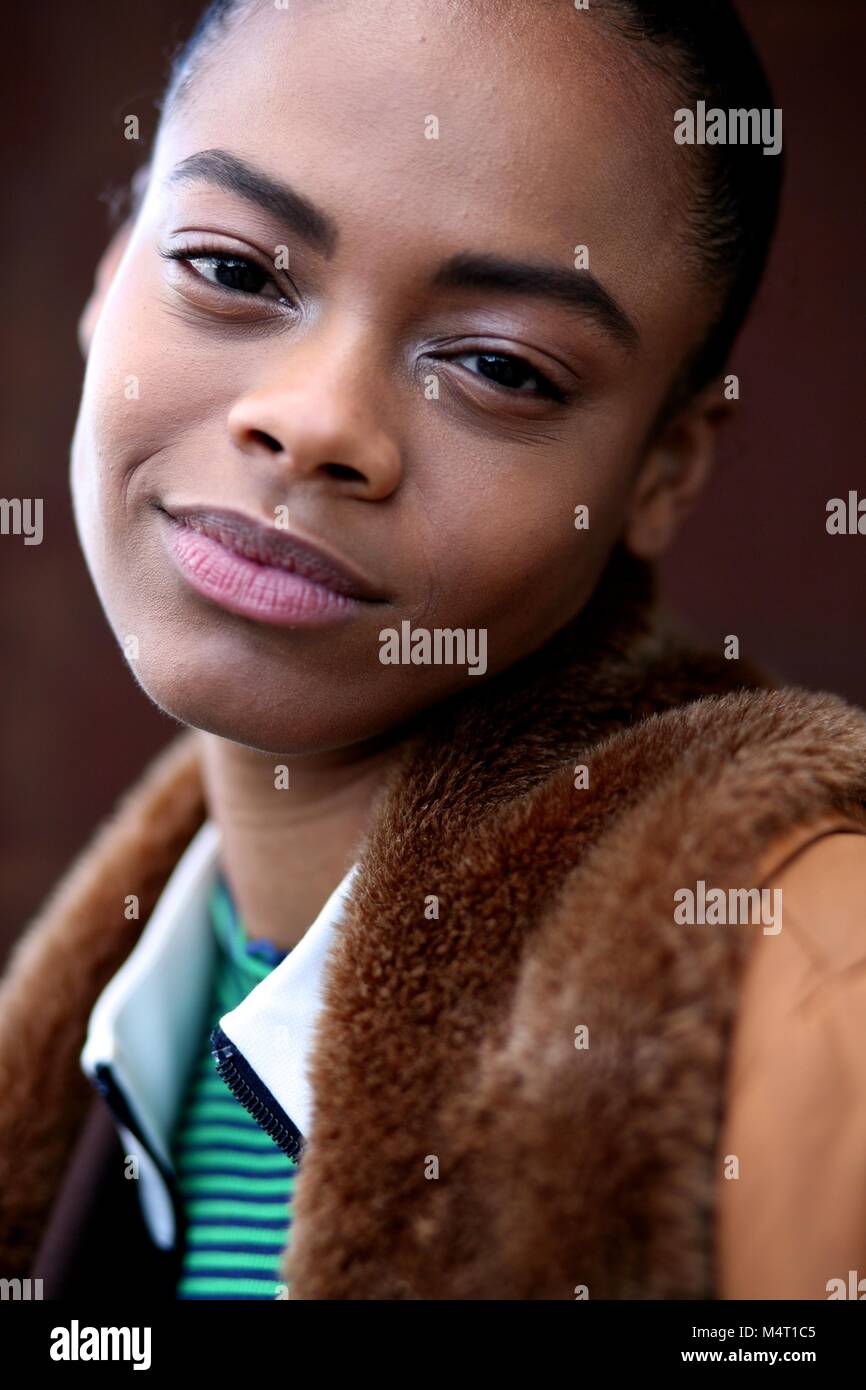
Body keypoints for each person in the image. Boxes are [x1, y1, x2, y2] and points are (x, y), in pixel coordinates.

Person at [1, 0, 864, 1301]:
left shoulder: (798, 979)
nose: (316, 423)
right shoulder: (100, 1037)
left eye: (497, 367)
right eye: (235, 269)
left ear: (663, 465)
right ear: (111, 265)